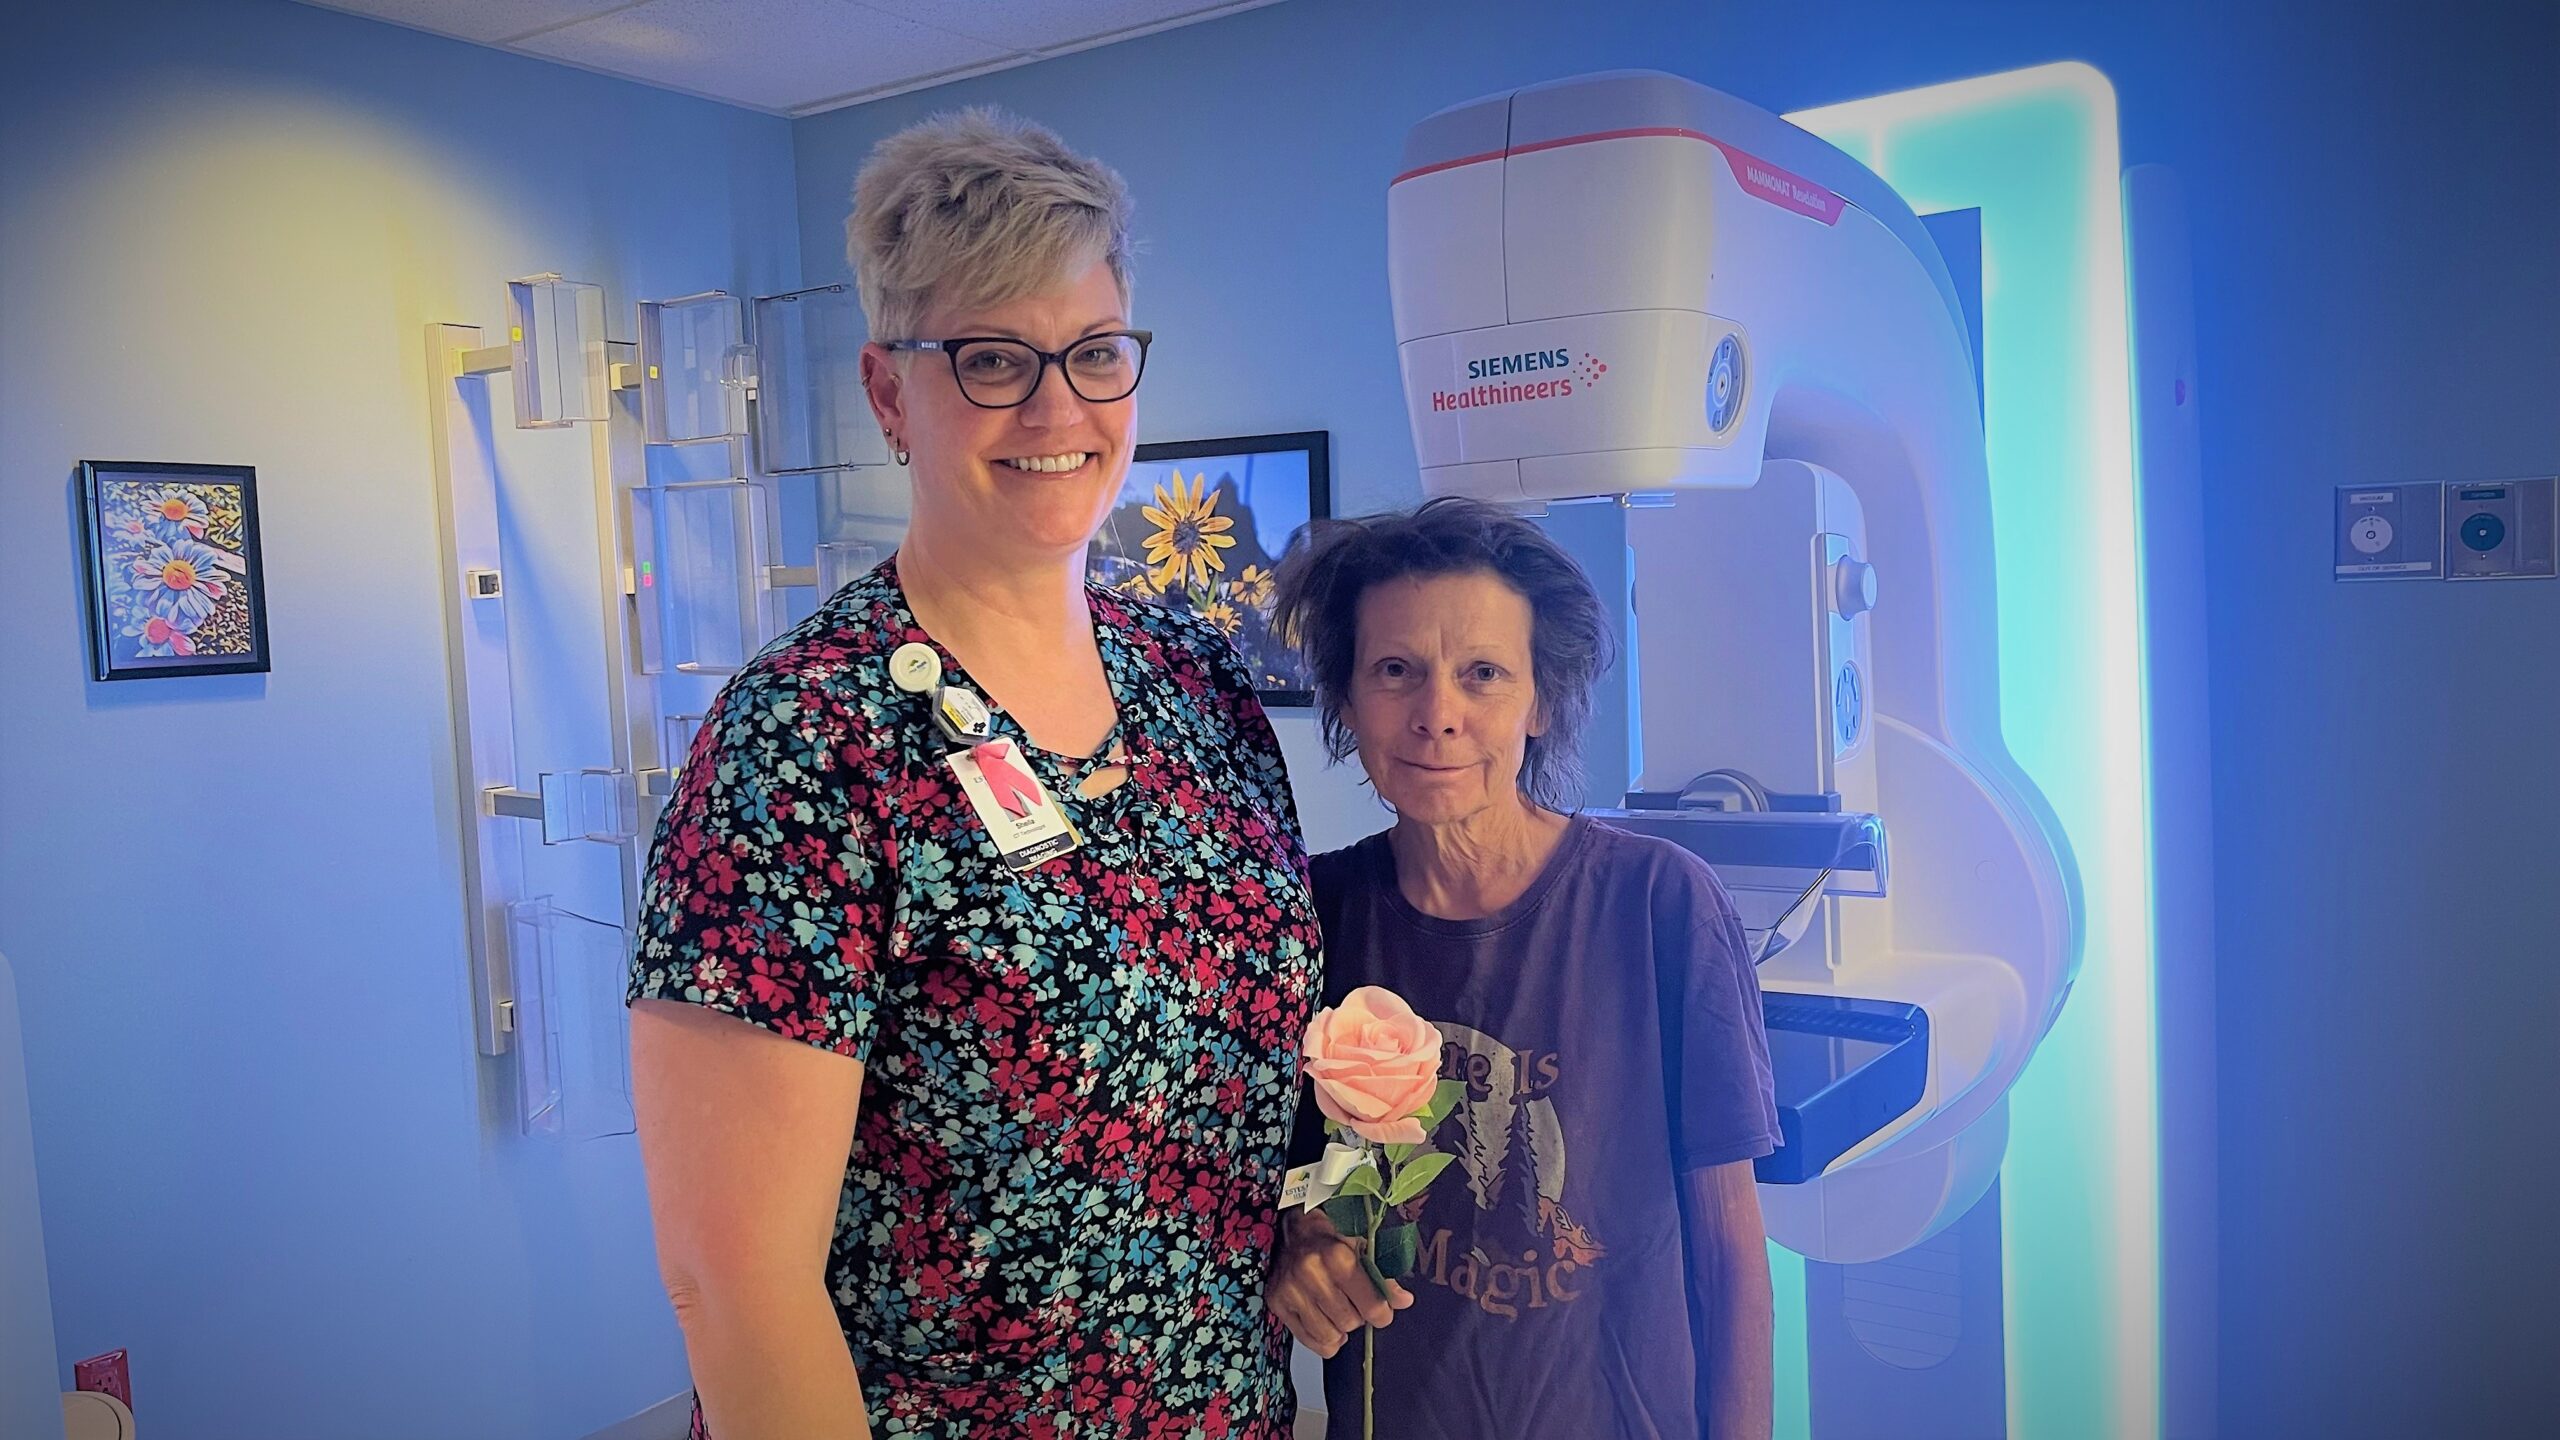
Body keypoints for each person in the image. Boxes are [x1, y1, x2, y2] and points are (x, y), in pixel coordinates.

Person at [626, 108, 1321, 1439]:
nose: (1058, 409)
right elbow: (734, 1285)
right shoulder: (801, 740)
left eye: (1095, 356)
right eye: (994, 361)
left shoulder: (1197, 680)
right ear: (892, 393)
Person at [1264, 497, 1780, 1439]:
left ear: (1541, 700)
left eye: (1484, 674)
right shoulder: (1308, 915)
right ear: (1344, 699)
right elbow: (1293, 1183)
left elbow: (1730, 1244)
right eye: (1395, 671)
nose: (1438, 716)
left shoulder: (1660, 903)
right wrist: (1299, 1242)